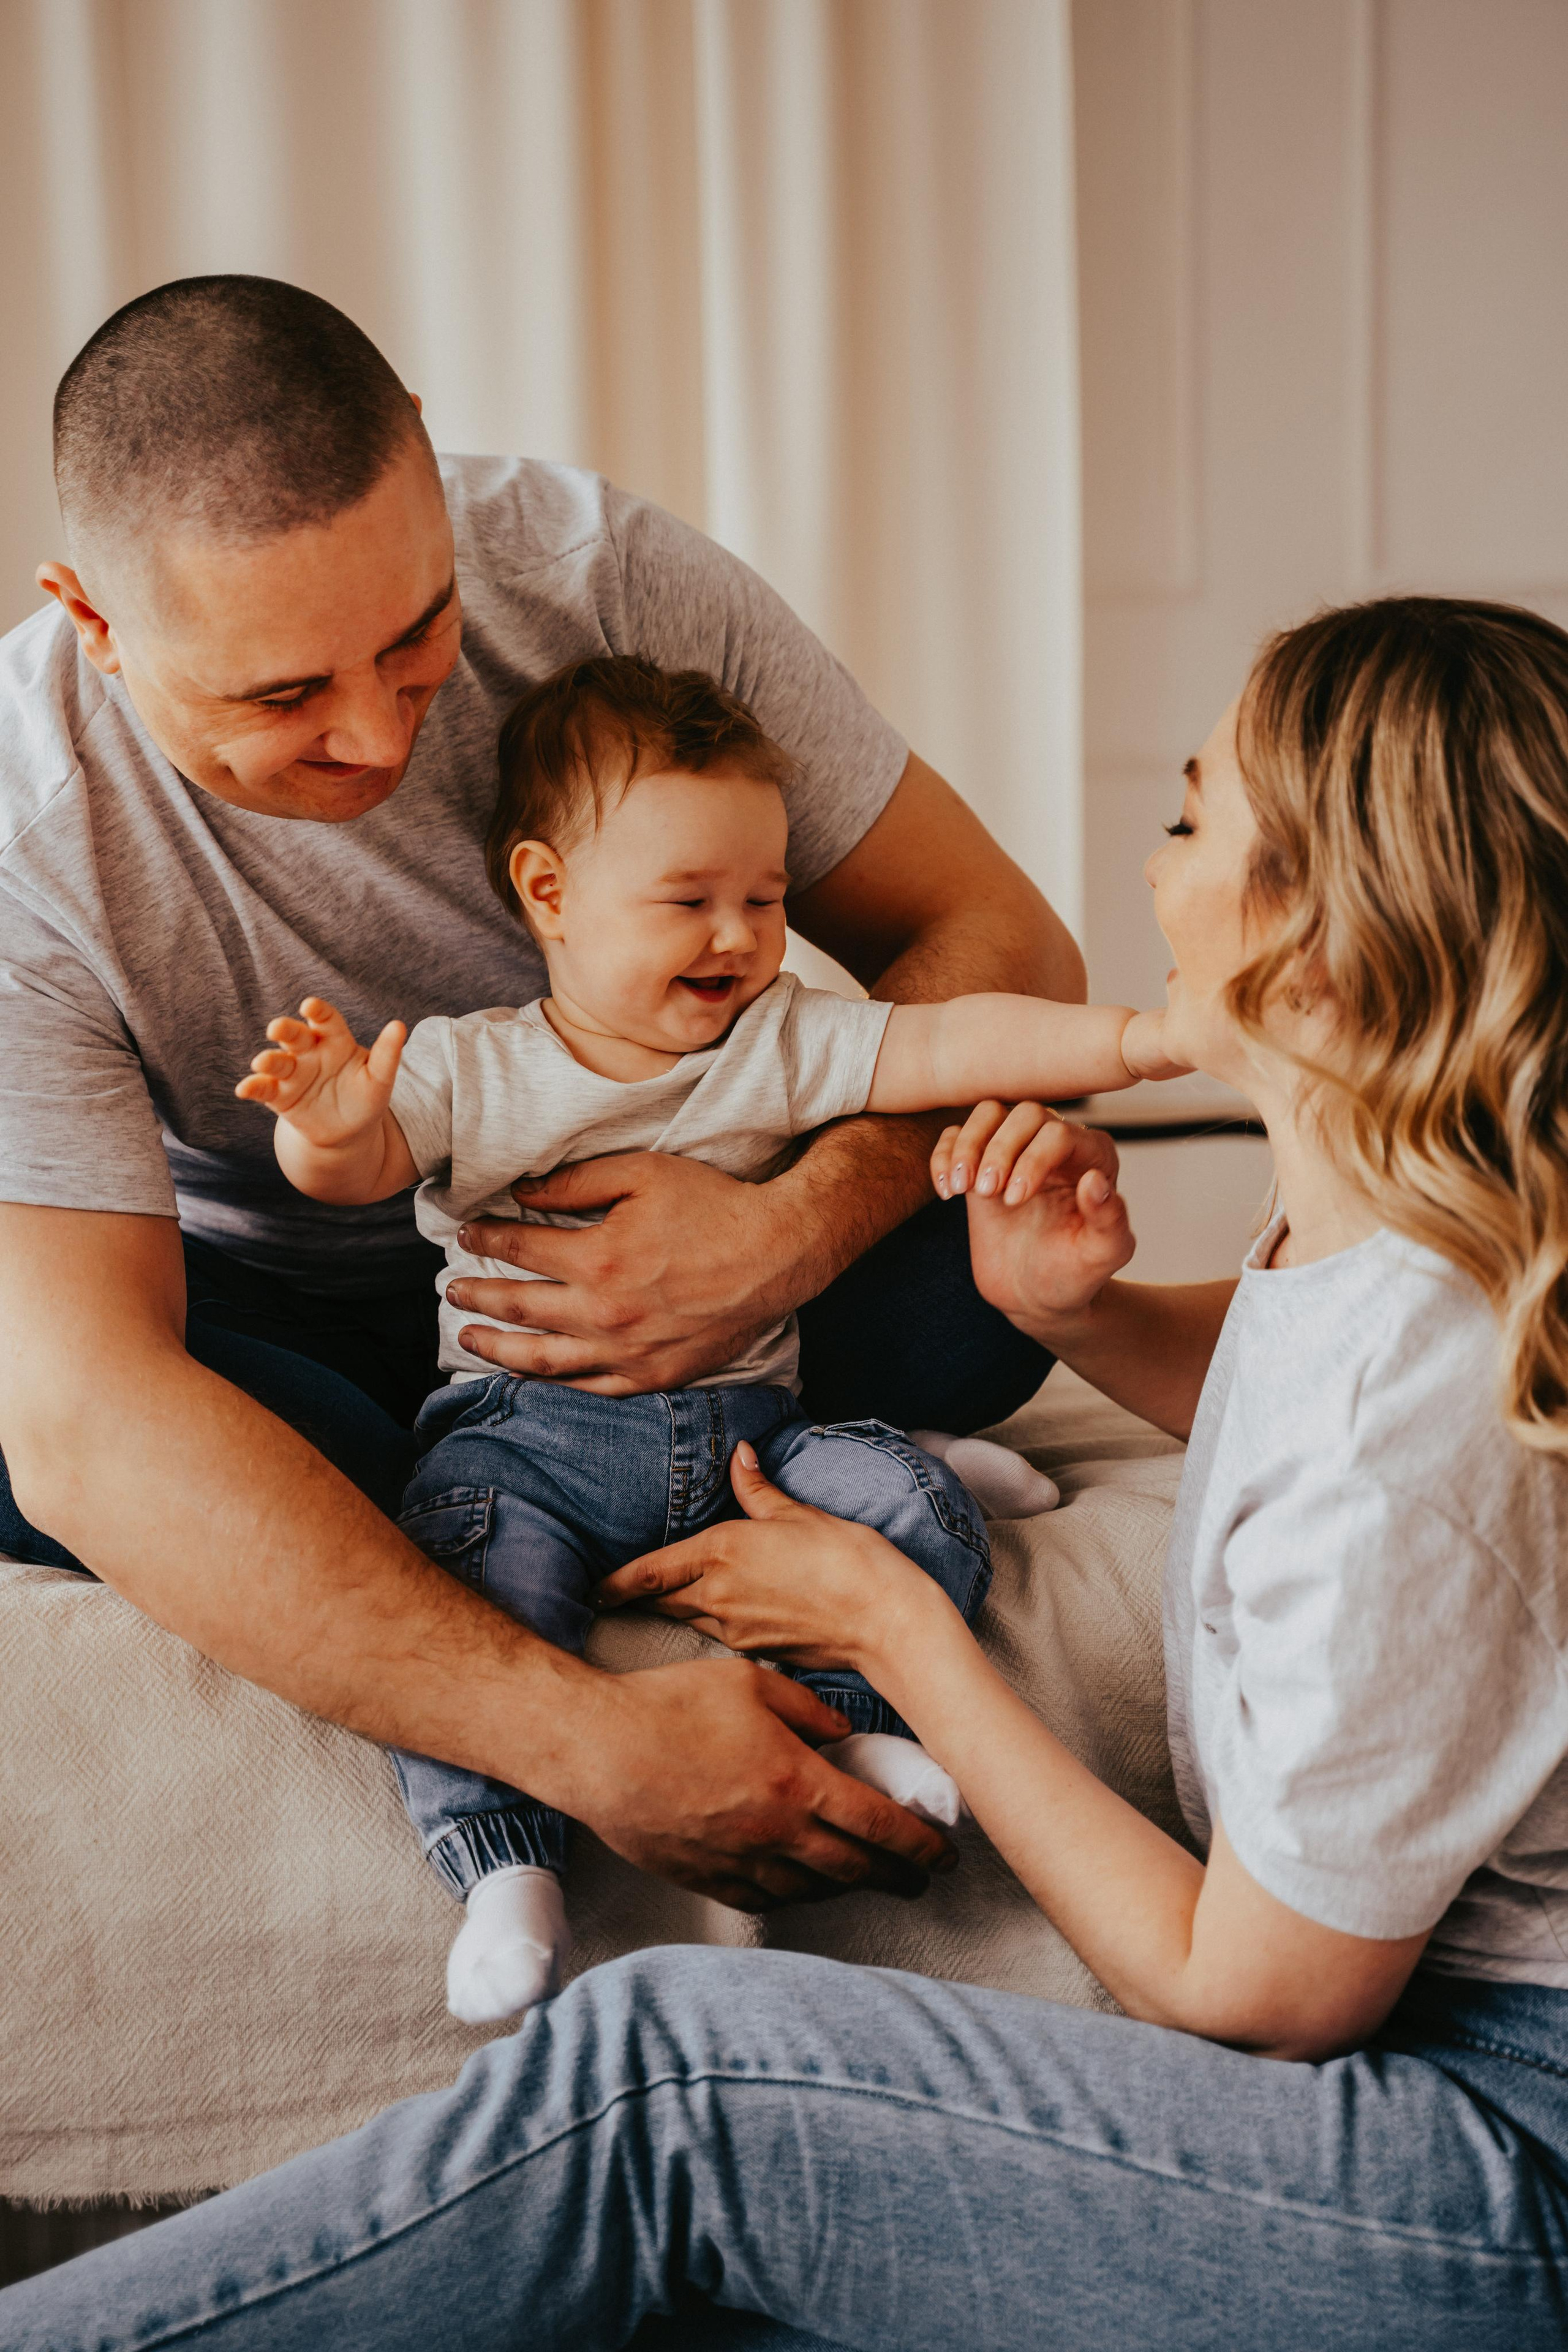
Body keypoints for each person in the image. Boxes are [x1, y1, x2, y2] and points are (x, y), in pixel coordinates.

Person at [8, 594, 1567, 2350]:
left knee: (664, 2083)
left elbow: (1261, 1998)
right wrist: (1076, 1314)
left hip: (1501, 2143)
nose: (1152, 868)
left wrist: (900, 1632)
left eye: (1191, 820)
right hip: (1453, 2073)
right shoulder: (1403, 1255)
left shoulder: (1402, 1441)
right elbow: (1297, 1384)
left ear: (1319, 935)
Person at [0, 275, 1085, 1918]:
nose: (376, 735)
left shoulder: (604, 575)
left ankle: (540, 1495)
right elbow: (86, 1412)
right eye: (281, 697)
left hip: (700, 1258)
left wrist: (789, 1230)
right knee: (38, 1414)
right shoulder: (29, 831)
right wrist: (589, 1743)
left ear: (425, 455)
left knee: (994, 1264)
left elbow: (1001, 939)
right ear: (93, 617)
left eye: (416, 633)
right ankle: (470, 1495)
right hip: (282, 1317)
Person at [238, 653, 1172, 2025]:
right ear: (549, 892)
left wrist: (1144, 1041)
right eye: (689, 901)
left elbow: (955, 1041)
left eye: (766, 899)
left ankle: (845, 1730)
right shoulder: (473, 1065)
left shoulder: (780, 1040)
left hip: (755, 1439)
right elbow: (363, 1167)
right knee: (467, 1569)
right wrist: (325, 1129)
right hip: (527, 1446)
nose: (737, 936)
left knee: (908, 1509)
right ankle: (506, 1870)